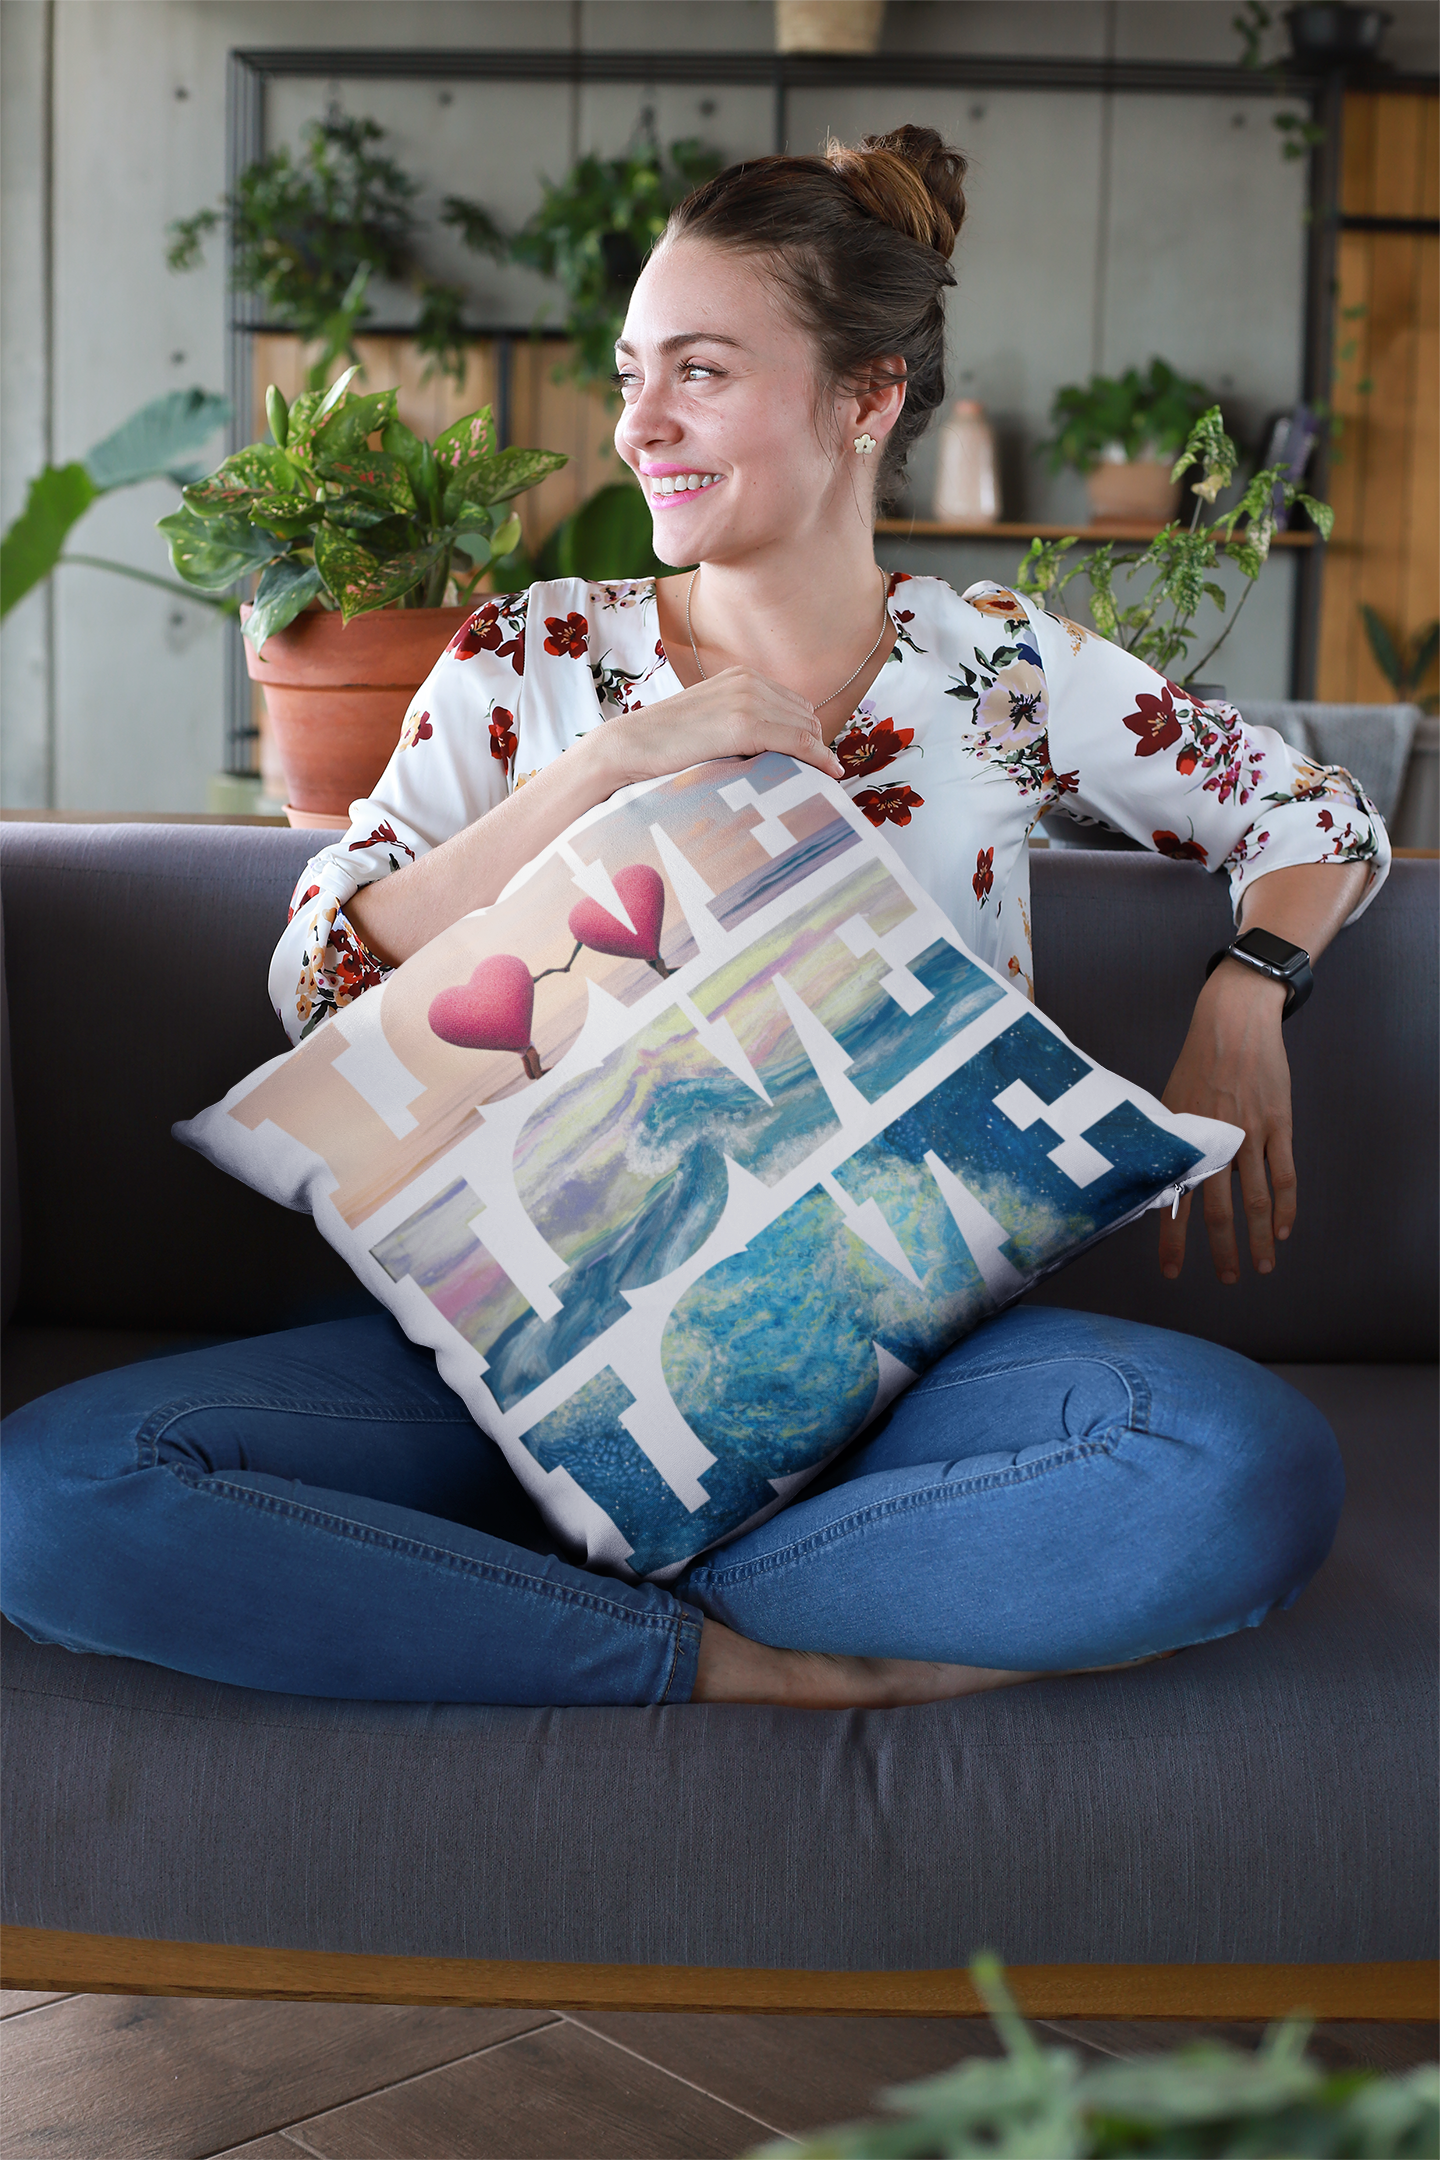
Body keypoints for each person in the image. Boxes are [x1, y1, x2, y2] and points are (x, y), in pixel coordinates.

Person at [2, 129, 1383, 1713]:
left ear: (866, 400)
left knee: (1235, 1466)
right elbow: (323, 970)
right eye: (630, 370)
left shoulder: (1000, 669)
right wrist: (603, 768)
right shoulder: (528, 658)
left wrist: (1245, 992)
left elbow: (1310, 812)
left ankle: (607, 1585)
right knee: (57, 1492)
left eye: (703, 372)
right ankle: (716, 1658)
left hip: (898, 1376)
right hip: (502, 1367)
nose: (638, 423)